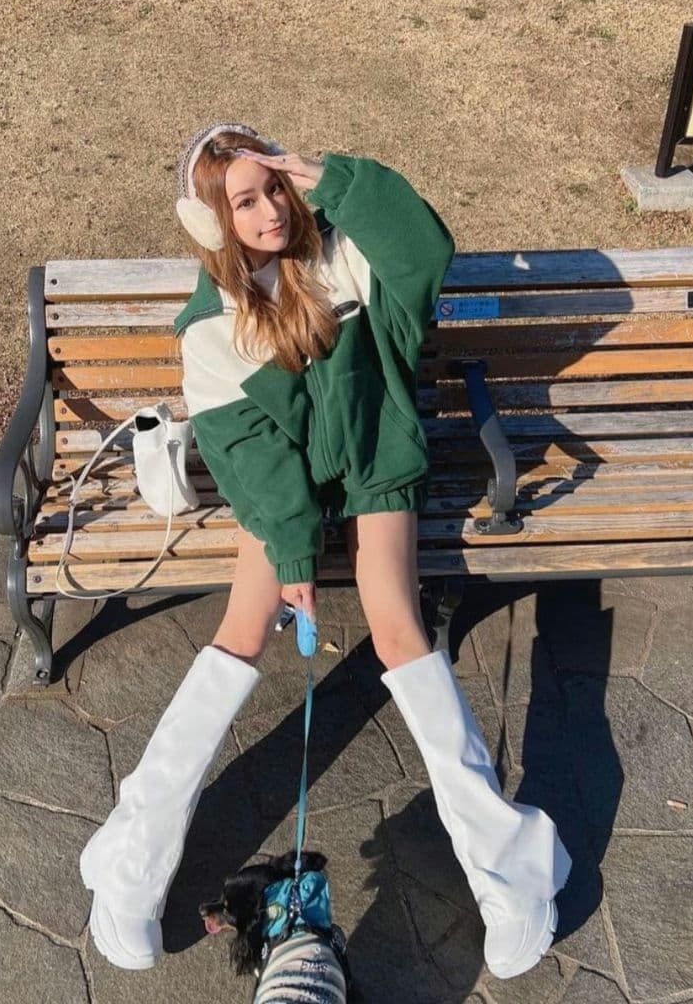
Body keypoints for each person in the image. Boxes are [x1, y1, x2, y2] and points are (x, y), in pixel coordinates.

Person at [79, 122, 572, 979]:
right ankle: (129, 860)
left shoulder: (344, 252)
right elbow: (249, 454)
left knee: (397, 626)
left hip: (377, 460)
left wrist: (333, 177)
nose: (270, 210)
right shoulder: (210, 325)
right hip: (288, 490)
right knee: (241, 630)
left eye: (274, 186)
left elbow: (426, 250)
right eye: (245, 200)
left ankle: (516, 871)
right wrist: (296, 555)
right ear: (213, 221)